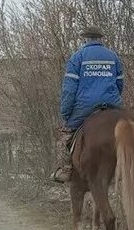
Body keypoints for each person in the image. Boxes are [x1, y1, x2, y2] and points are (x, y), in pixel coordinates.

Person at [52, 23, 124, 183]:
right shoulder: (113, 57)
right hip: (112, 105)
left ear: (85, 39)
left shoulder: (77, 58)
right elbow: (120, 85)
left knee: (64, 137)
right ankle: (124, 166)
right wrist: (114, 101)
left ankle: (65, 170)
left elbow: (69, 90)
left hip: (85, 106)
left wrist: (66, 113)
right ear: (100, 39)